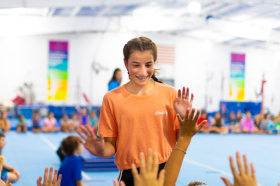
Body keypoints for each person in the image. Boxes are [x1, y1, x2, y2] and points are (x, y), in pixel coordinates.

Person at [76, 36, 193, 186]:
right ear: (125, 63)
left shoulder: (170, 94)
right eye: (136, 65)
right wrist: (101, 150)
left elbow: (179, 139)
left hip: (166, 172)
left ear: (155, 62)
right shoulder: (112, 98)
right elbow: (112, 146)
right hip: (130, 175)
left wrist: (185, 120)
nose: (143, 72)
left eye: (148, 64)